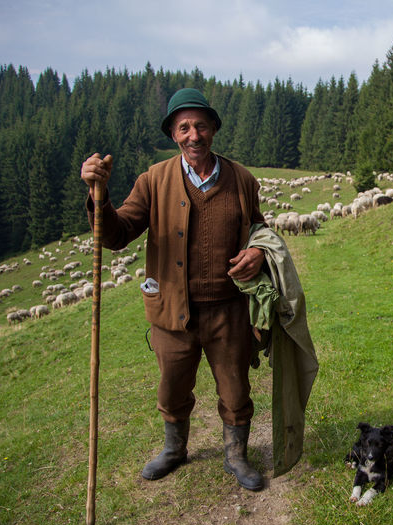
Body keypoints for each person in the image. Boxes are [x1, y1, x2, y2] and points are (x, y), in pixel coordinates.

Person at [81, 88, 268, 490]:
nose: (193, 135)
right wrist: (99, 197)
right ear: (173, 135)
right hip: (171, 313)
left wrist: (258, 252)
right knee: (172, 387)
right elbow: (118, 234)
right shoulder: (153, 180)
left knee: (235, 389)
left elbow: (261, 230)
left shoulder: (242, 180)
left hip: (228, 311)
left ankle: (236, 456)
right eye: (183, 127)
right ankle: (175, 449)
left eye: (201, 125)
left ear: (214, 129)